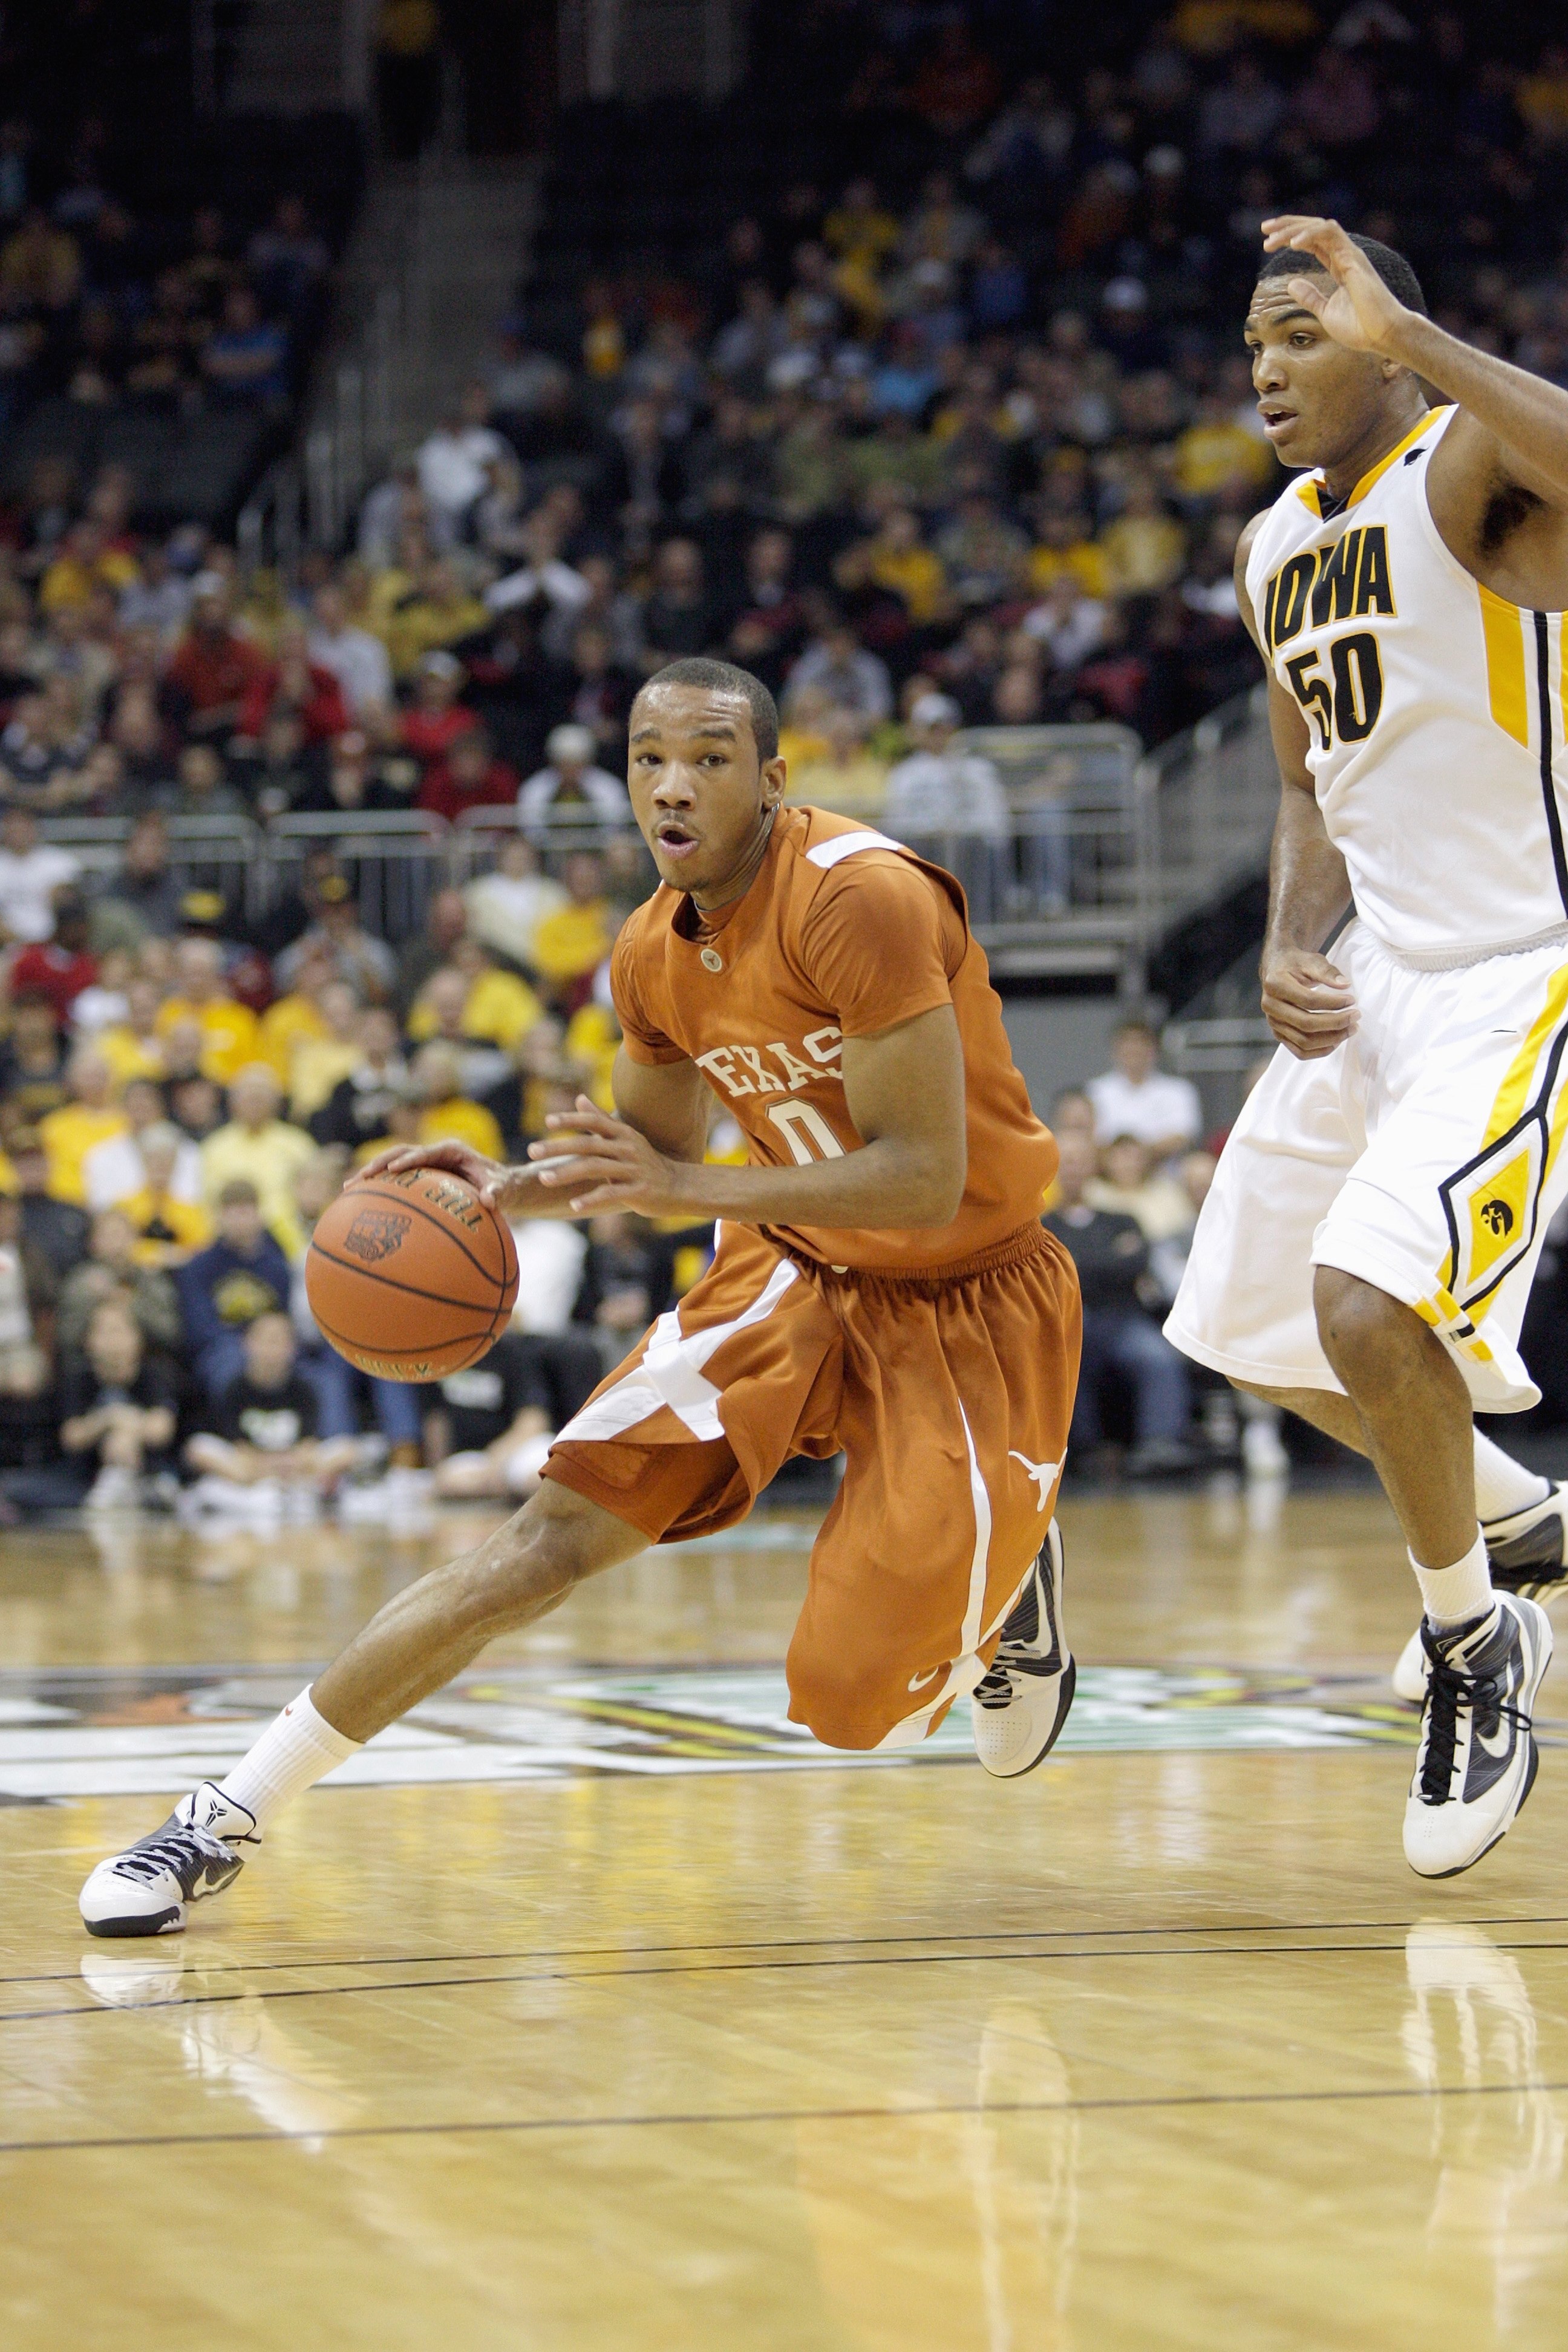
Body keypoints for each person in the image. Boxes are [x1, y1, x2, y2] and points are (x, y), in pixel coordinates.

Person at [80, 656, 1082, 1936]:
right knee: (537, 1545)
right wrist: (503, 1188)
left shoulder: (862, 900)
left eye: (711, 759)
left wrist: (682, 1186)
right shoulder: (651, 952)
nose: (673, 786)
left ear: (773, 780)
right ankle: (219, 1817)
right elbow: (635, 1163)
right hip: (786, 1268)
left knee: (852, 1702)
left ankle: (1017, 1568)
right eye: (649, 758)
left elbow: (925, 1181)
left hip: (966, 1291)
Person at [1164, 217, 1568, 1879]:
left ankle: (1479, 1647)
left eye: (1300, 333)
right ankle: (1523, 1524)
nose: (1263, 364)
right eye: (1252, 339)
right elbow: (1303, 774)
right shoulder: (1271, 546)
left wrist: (1416, 337)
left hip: (1517, 971)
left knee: (1364, 1304)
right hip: (1374, 975)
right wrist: (1280, 938)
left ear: (1384, 341)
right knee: (1254, 1336)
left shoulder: (1476, 470)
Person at [1045, 1127, 1194, 1477]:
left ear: (1094, 1167)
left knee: (1157, 1357)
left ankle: (1161, 1444)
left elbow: (1134, 1266)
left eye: (1081, 1162)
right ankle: (1082, 1451)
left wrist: (1079, 1264)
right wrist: (1107, 1261)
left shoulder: (1122, 1219)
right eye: (1066, 1162)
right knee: (1062, 1365)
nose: (1074, 1170)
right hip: (1069, 1324)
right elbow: (1052, 1279)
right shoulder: (1042, 1226)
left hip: (1123, 1319)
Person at [183, 1312, 357, 1519]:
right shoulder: (235, 1389)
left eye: (279, 1341)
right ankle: (277, 1496)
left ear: (293, 1348)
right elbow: (237, 1447)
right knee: (199, 1448)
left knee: (349, 1449)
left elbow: (308, 1444)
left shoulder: (304, 1389)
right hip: (252, 1466)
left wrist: (290, 1463)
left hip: (292, 1466)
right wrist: (266, 1465)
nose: (272, 1349)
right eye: (266, 1340)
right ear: (247, 1344)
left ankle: (268, 1496)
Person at [176, 1176, 294, 1400]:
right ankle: (235, 1434)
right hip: (220, 1349)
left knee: (321, 1376)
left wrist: (270, 1346)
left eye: (246, 1211)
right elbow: (200, 1330)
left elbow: (285, 1320)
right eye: (232, 1211)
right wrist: (253, 1347)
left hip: (273, 1346)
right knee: (231, 1364)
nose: (240, 1220)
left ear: (259, 1215)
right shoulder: (199, 1267)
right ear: (220, 1217)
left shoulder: (278, 1266)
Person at [1086, 1020, 1201, 1166]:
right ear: (1115, 1049)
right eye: (1128, 1044)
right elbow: (1090, 1138)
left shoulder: (1179, 1090)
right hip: (1107, 1172)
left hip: (1163, 1171)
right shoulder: (1095, 1091)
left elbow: (1183, 1135)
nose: (1134, 1049)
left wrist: (1137, 1156)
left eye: (1141, 1043)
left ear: (1154, 1049)